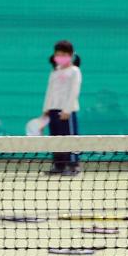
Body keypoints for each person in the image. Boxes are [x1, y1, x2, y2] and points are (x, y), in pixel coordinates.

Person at [44, 38, 83, 177]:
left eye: (63, 54)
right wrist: (46, 109)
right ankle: (59, 165)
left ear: (70, 55)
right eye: (57, 54)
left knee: (70, 138)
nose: (59, 57)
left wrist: (67, 110)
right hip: (53, 110)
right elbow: (49, 91)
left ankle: (73, 165)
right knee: (55, 138)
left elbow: (74, 91)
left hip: (68, 111)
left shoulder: (75, 71)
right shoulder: (54, 72)